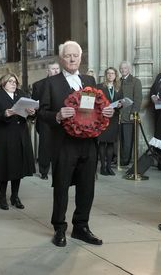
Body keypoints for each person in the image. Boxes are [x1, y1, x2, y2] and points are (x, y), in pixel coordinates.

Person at [40, 40, 114, 247]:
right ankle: (59, 228)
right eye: (68, 56)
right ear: (61, 59)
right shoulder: (51, 83)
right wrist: (57, 115)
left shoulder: (89, 80)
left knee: (87, 187)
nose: (72, 59)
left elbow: (99, 107)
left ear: (81, 58)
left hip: (89, 143)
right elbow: (41, 113)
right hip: (64, 143)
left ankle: (81, 226)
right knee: (62, 186)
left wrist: (107, 111)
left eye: (76, 55)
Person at [0, 73, 36, 210]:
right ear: (3, 83)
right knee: (4, 167)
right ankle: (3, 197)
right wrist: (5, 114)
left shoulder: (21, 94)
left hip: (20, 134)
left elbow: (30, 114)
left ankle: (15, 196)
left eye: (15, 82)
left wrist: (32, 112)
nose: (14, 84)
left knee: (18, 167)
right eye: (10, 81)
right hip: (5, 136)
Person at [32, 62, 60, 180]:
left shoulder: (64, 83)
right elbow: (34, 103)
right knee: (45, 146)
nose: (56, 71)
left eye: (58, 68)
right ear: (47, 71)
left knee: (60, 145)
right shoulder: (38, 85)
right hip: (45, 119)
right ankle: (44, 171)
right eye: (53, 69)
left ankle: (59, 170)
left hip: (61, 118)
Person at [97, 67, 123, 175]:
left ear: (115, 75)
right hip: (103, 117)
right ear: (105, 75)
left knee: (111, 143)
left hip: (114, 117)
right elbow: (96, 101)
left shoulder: (118, 88)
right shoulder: (100, 87)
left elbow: (121, 100)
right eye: (108, 73)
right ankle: (102, 167)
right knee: (102, 142)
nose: (110, 75)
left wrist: (121, 104)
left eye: (112, 73)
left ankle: (109, 167)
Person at [119, 61, 142, 166]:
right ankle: (119, 158)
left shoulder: (135, 81)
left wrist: (134, 113)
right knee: (119, 139)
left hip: (129, 115)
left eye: (125, 68)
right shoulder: (118, 81)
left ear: (129, 69)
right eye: (121, 68)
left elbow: (138, 99)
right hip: (118, 115)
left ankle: (125, 160)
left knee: (128, 139)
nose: (123, 70)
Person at [149, 58, 161, 172]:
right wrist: (153, 96)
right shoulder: (160, 75)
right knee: (159, 138)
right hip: (158, 111)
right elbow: (153, 89)